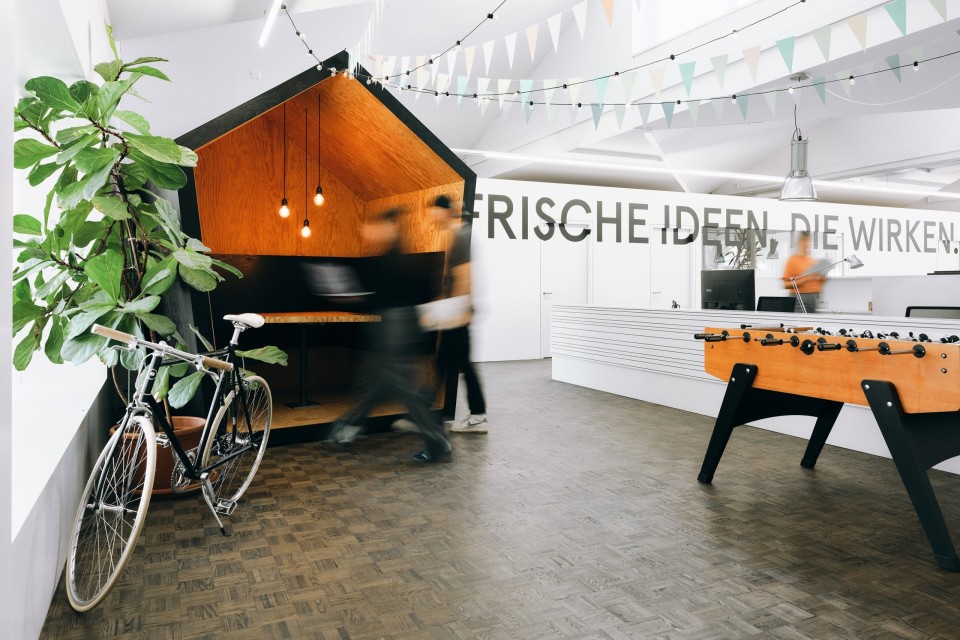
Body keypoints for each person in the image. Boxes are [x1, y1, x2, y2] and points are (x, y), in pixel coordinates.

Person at [327, 207, 452, 463]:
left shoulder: (393, 259)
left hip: (392, 329)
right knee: (374, 382)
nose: (372, 231)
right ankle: (347, 429)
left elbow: (382, 297)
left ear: (391, 228)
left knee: (399, 388)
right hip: (395, 328)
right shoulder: (398, 258)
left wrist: (351, 298)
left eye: (378, 227)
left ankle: (437, 442)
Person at [781, 230, 824, 312]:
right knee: (802, 320)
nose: (806, 244)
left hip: (813, 299)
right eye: (804, 241)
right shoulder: (792, 260)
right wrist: (804, 280)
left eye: (808, 241)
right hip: (799, 299)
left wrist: (821, 277)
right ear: (799, 243)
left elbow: (816, 282)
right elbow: (785, 285)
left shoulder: (812, 260)